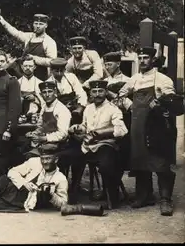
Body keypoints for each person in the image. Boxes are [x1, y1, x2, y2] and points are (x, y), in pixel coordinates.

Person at [118, 46, 181, 216]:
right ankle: (144, 196)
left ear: (153, 60)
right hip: (138, 124)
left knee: (160, 161)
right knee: (140, 159)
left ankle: (165, 199)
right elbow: (121, 95)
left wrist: (161, 103)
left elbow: (172, 101)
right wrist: (130, 106)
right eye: (141, 57)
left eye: (146, 57)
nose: (143, 60)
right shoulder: (134, 79)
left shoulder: (162, 79)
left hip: (157, 125)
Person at [69, 80, 128, 208]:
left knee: (106, 165)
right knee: (72, 158)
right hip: (88, 145)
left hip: (106, 145)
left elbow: (122, 130)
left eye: (100, 91)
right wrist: (78, 127)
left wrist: (101, 132)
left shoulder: (113, 109)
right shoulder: (88, 109)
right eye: (94, 92)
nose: (97, 94)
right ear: (90, 93)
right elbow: (85, 126)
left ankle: (113, 198)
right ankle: (72, 197)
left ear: (106, 92)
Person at [0, 12, 57, 81]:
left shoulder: (49, 41)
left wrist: (34, 59)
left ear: (46, 25)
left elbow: (52, 62)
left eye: (41, 24)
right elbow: (16, 33)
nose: (38, 26)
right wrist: (2, 21)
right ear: (33, 24)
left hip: (39, 76)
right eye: (36, 23)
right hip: (23, 74)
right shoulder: (29, 37)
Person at [25, 81, 71, 160]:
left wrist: (43, 138)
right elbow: (41, 126)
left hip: (58, 145)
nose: (47, 95)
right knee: (20, 148)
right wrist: (34, 133)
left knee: (30, 156)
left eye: (50, 91)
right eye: (44, 92)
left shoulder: (62, 109)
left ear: (55, 92)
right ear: (41, 94)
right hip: (44, 142)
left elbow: (63, 134)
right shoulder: (44, 107)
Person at [47, 58, 87, 124]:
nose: (59, 73)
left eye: (61, 71)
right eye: (57, 71)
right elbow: (49, 102)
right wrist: (64, 108)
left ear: (65, 70)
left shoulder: (72, 77)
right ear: (51, 70)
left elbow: (81, 93)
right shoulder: (49, 82)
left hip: (74, 107)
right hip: (58, 109)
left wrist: (80, 107)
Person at [17, 55, 44, 122]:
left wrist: (35, 98)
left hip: (35, 115)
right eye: (25, 66)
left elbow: (45, 102)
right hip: (21, 115)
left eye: (30, 66)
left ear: (34, 67)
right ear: (22, 67)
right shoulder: (17, 83)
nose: (28, 68)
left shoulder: (40, 83)